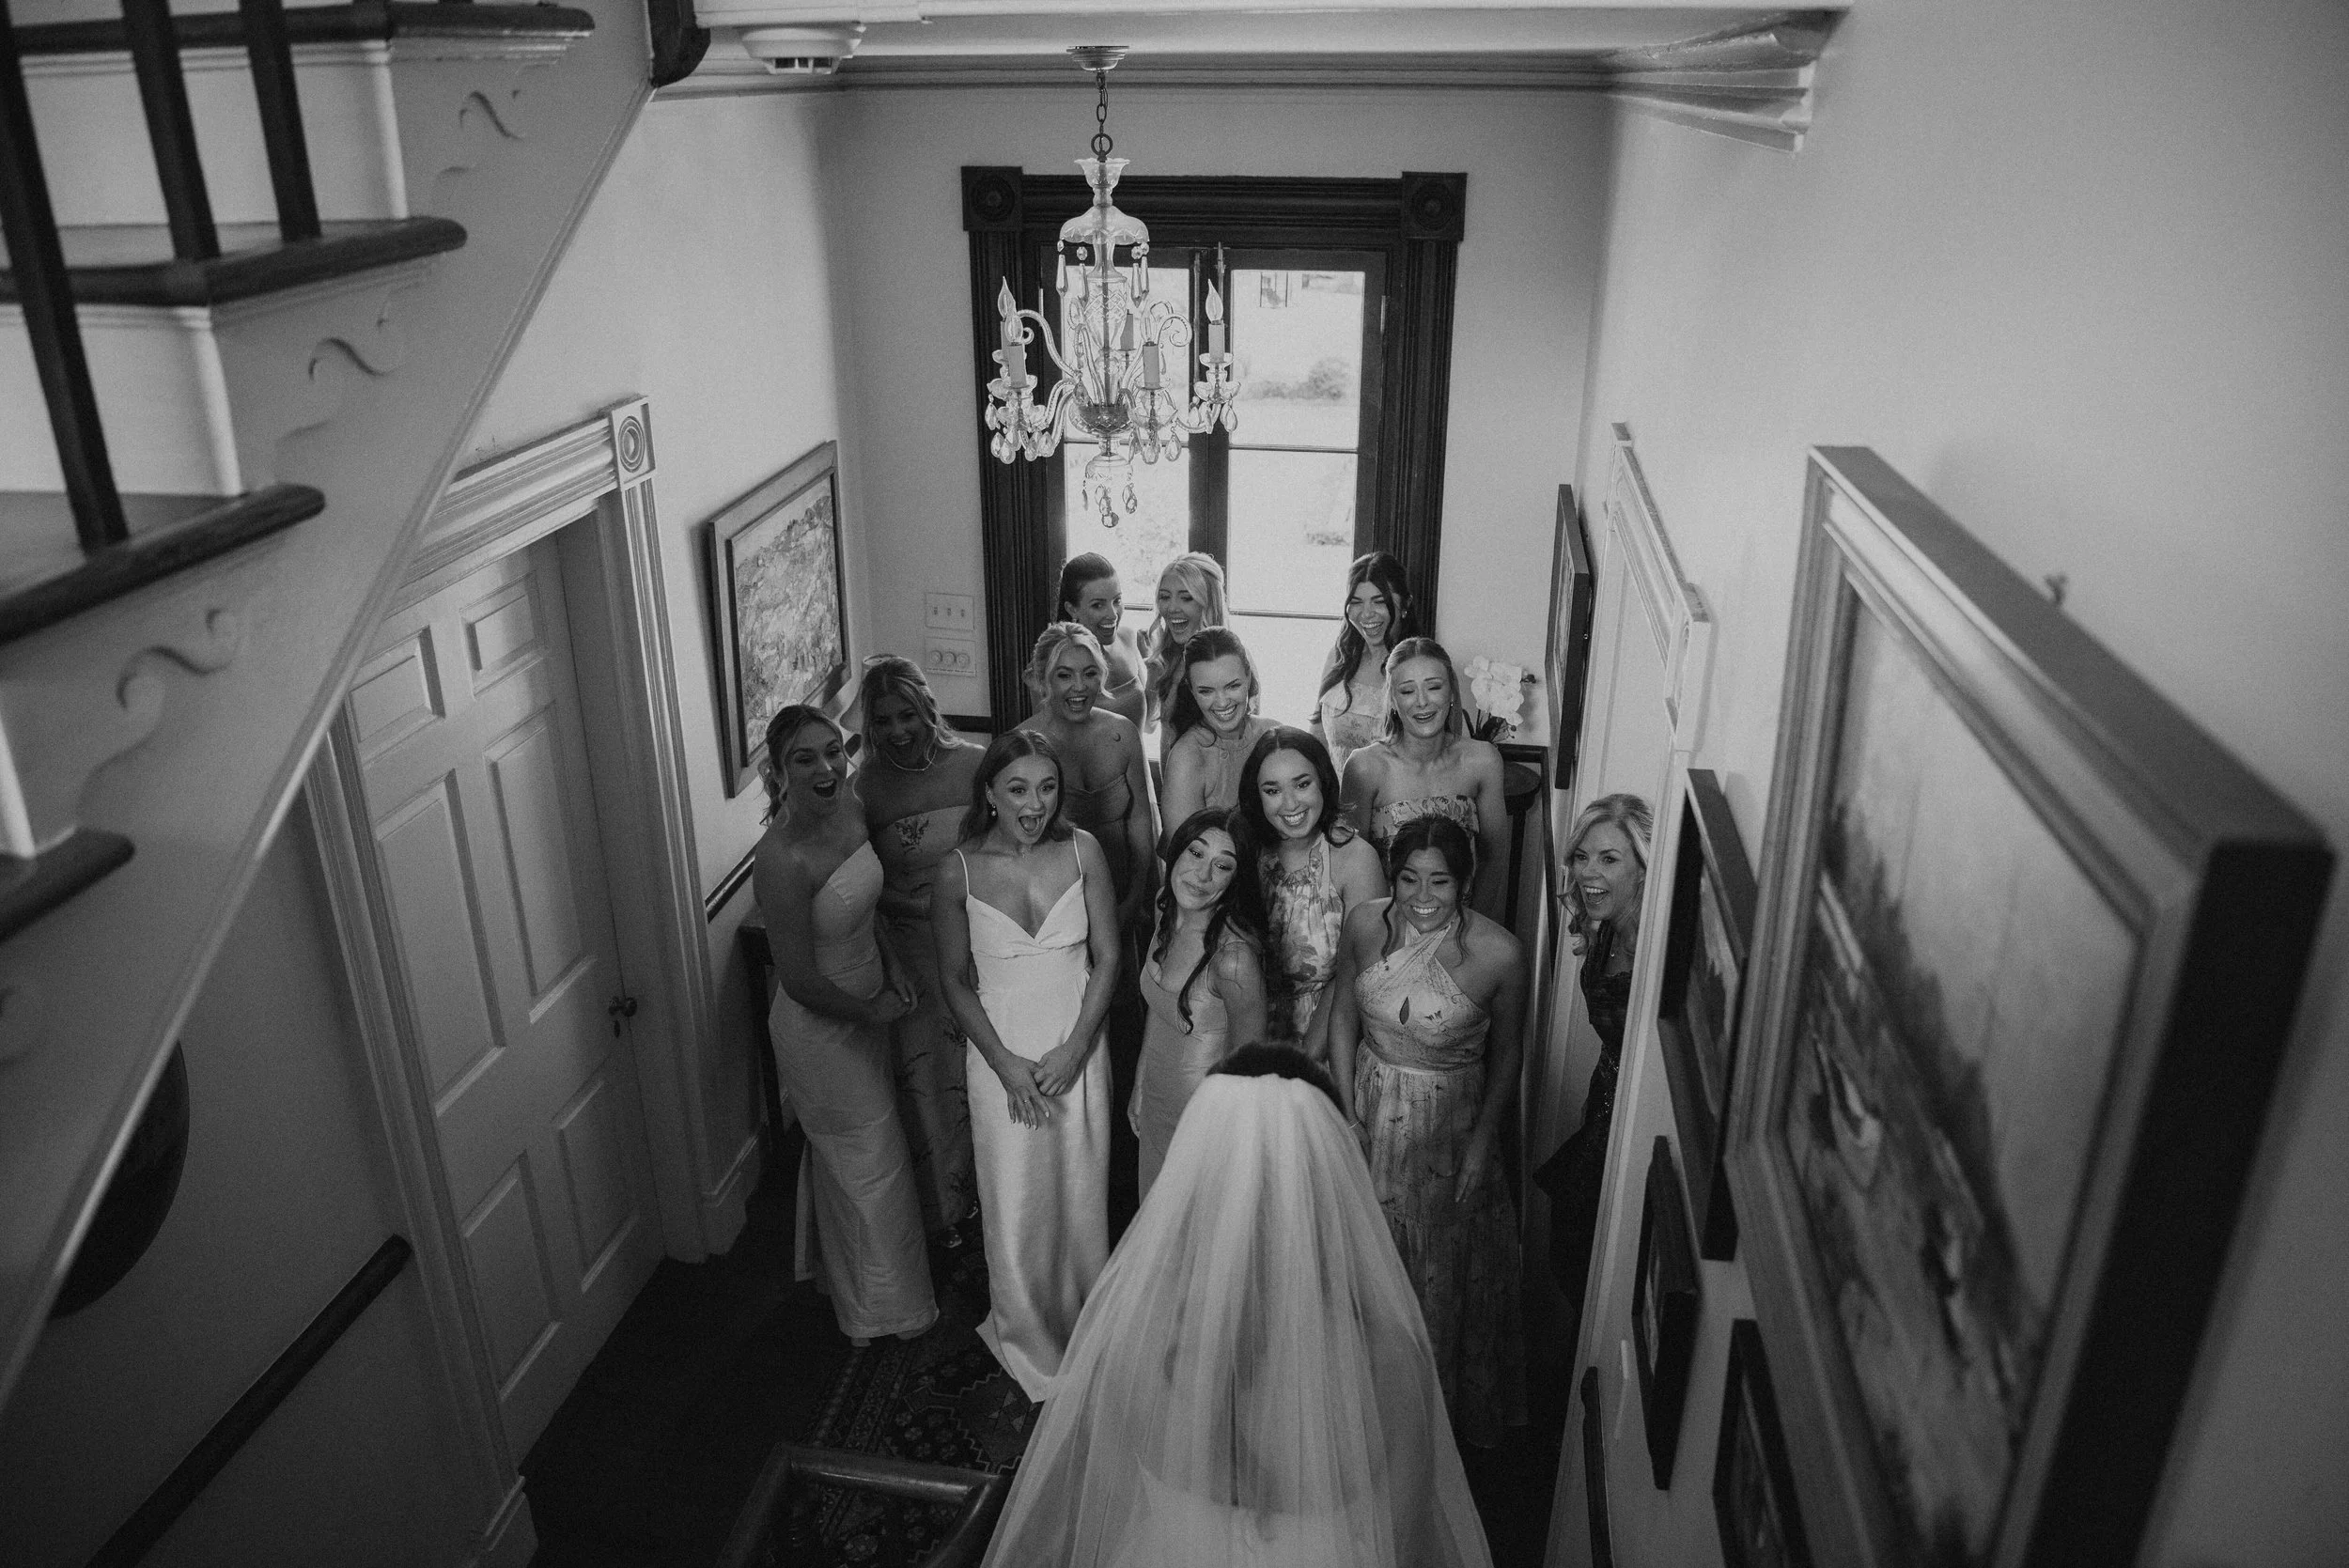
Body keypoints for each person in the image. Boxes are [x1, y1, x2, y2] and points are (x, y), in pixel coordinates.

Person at [980, 1048, 1495, 1568]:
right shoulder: (1391, 1361)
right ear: (1334, 1187)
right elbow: (1406, 1550)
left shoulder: (1129, 1340)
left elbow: (1101, 1508)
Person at [1327, 815, 1528, 1448]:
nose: (1421, 895)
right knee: (1366, 1248)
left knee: (1440, 1264)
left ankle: (1424, 1418)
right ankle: (1357, 1403)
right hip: (1370, 1101)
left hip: (1448, 1120)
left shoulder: (1499, 952)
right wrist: (1345, 1111)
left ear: (1464, 880)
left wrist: (1480, 1142)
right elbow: (1340, 1015)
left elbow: (1510, 1054)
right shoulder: (1366, 923)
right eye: (1408, 877)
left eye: (1439, 880)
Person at [931, 731, 1120, 1399]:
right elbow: (954, 980)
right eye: (1017, 788)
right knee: (1016, 1196)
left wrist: (1076, 1047)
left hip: (1077, 1039)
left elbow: (1109, 958)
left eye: (1047, 787)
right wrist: (1006, 1065)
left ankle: (1085, 1319)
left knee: (1079, 1189)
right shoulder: (955, 869)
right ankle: (1026, 1335)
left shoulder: (1083, 850)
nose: (1034, 804)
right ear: (989, 792)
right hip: (1001, 1046)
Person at [752, 705, 938, 1345]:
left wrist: (892, 968)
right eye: (806, 758)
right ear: (777, 772)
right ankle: (882, 1312)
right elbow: (798, 981)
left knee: (857, 1159)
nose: (828, 766)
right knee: (872, 1159)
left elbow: (869, 903)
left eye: (834, 750)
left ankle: (853, 1280)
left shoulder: (853, 807)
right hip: (819, 1030)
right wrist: (870, 1009)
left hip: (867, 998)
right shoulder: (779, 858)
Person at [856, 656, 983, 1238]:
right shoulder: (865, 789)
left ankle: (1001, 1198)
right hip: (911, 949)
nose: (898, 730)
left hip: (978, 942)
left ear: (927, 707)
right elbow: (863, 885)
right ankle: (946, 1212)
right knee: (931, 1079)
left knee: (983, 1067)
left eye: (908, 714)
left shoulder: (974, 767)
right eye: (883, 721)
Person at [1530, 793, 1652, 1352]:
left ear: (1645, 867)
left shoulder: (1657, 943)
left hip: (1637, 1108)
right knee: (1574, 1243)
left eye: (1609, 860)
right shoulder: (1602, 928)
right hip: (1606, 1091)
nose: (1588, 874)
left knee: (1601, 1250)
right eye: (1581, 857)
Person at [1131, 809, 1268, 1198]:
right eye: (1195, 854)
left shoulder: (1234, 959)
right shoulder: (1165, 907)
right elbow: (1160, 1014)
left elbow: (1250, 1073)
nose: (1202, 875)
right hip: (1156, 1104)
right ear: (1176, 853)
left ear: (1235, 880)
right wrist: (1141, 1082)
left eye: (1222, 866)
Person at [1236, 727, 1385, 1062]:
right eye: (1272, 790)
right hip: (1244, 1029)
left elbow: (1356, 974)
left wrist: (1303, 1062)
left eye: (1302, 784)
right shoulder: (1243, 850)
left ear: (1323, 782)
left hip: (1329, 1039)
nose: (1290, 804)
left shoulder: (1355, 858)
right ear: (1256, 797)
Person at [1339, 636, 1511, 924]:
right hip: (1386, 930)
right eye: (1407, 691)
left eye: (1433, 687)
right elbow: (1349, 866)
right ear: (1393, 700)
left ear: (1451, 692)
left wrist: (1471, 931)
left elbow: (1494, 859)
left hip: (1460, 930)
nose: (1422, 702)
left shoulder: (1483, 761)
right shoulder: (1364, 767)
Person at [1017, 622, 1155, 936]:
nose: (1079, 687)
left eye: (1090, 673)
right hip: (1052, 907)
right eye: (1064, 675)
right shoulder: (1020, 747)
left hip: (1121, 893)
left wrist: (1133, 899)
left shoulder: (1123, 733)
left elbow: (1139, 821)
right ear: (1043, 680)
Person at [1159, 628, 1279, 830]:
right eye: (1206, 691)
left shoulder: (1272, 733)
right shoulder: (1186, 757)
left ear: (1248, 676)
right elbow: (1187, 855)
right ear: (1191, 690)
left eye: (1232, 686)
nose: (1222, 703)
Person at [1310, 551, 1417, 774]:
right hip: (1336, 800)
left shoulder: (1422, 666)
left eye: (1379, 601)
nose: (1366, 614)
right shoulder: (1338, 657)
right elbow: (1316, 740)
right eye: (1356, 602)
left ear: (1405, 604)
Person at [1057, 553, 1149, 730]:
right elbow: (1047, 741)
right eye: (1098, 605)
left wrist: (1153, 669)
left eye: (1117, 600)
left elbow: (1149, 726)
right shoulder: (1054, 661)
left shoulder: (1129, 638)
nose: (1113, 614)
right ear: (1072, 609)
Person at [1142, 551, 1227, 736]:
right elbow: (1149, 726)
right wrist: (1152, 669)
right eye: (1165, 597)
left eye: (1186, 598)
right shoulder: (1169, 659)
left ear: (1209, 603)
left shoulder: (1232, 661)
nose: (1172, 608)